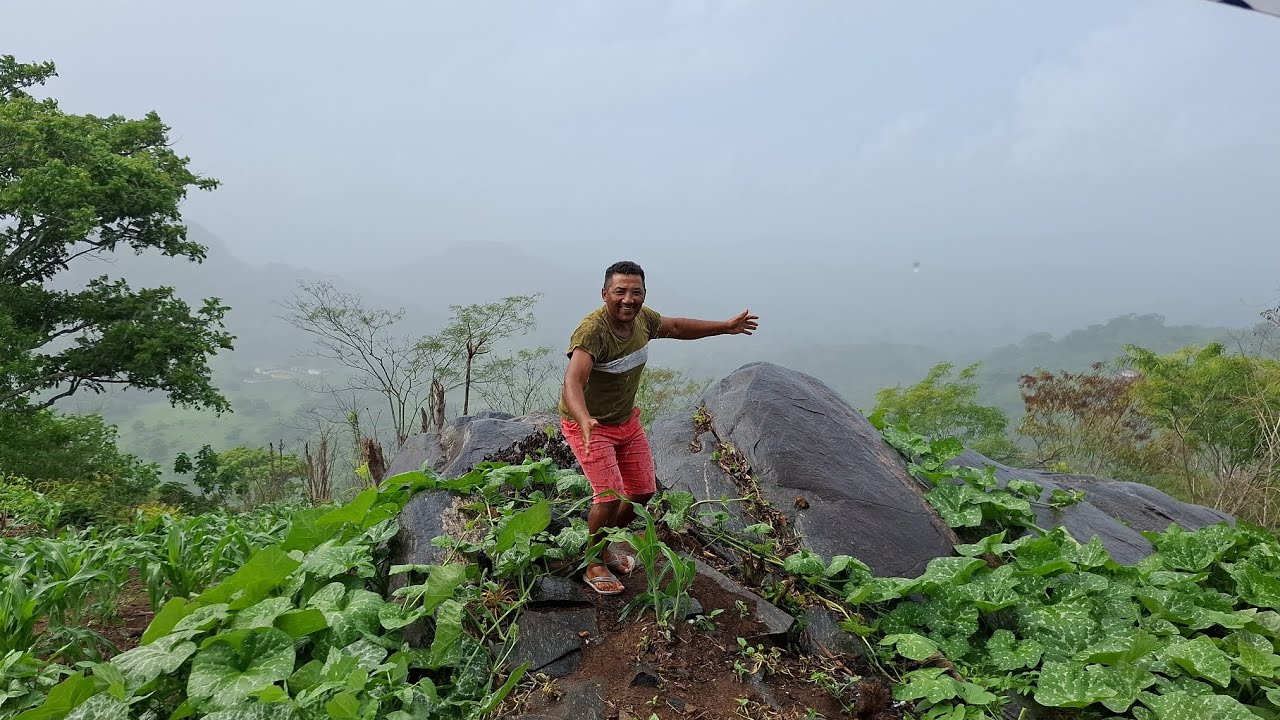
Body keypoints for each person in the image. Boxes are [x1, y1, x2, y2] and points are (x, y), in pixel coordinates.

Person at [558, 260, 759, 594]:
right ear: (605, 293)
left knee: (642, 489)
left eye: (635, 292)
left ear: (644, 294)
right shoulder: (592, 331)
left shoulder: (643, 320)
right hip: (590, 425)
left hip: (626, 421)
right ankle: (592, 562)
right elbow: (573, 380)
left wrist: (725, 326)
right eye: (619, 291)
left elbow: (678, 327)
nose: (627, 299)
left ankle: (605, 544)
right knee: (607, 495)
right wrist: (583, 418)